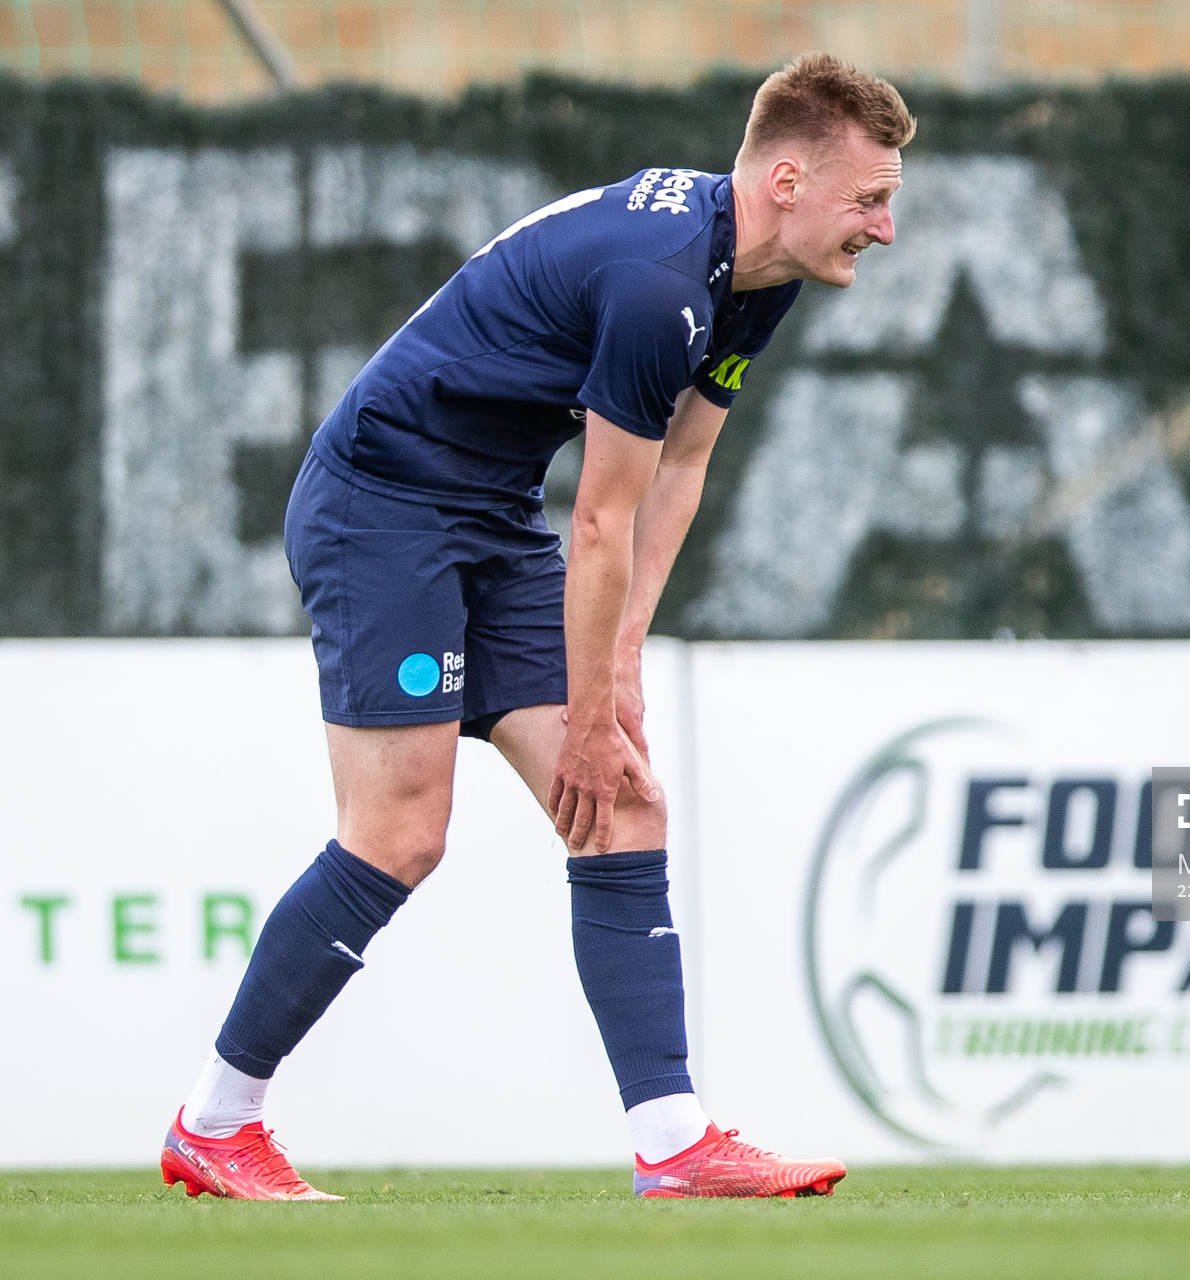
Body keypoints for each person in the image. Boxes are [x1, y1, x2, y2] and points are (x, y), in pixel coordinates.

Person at [158, 52, 913, 1202]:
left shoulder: (758, 272)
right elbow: (601, 519)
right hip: (382, 504)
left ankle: (673, 1142)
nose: (886, 226)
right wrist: (592, 708)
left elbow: (682, 467)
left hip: (491, 511)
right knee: (400, 830)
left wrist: (621, 666)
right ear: (788, 181)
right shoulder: (661, 283)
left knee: (625, 802)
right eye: (871, 199)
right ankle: (215, 1121)